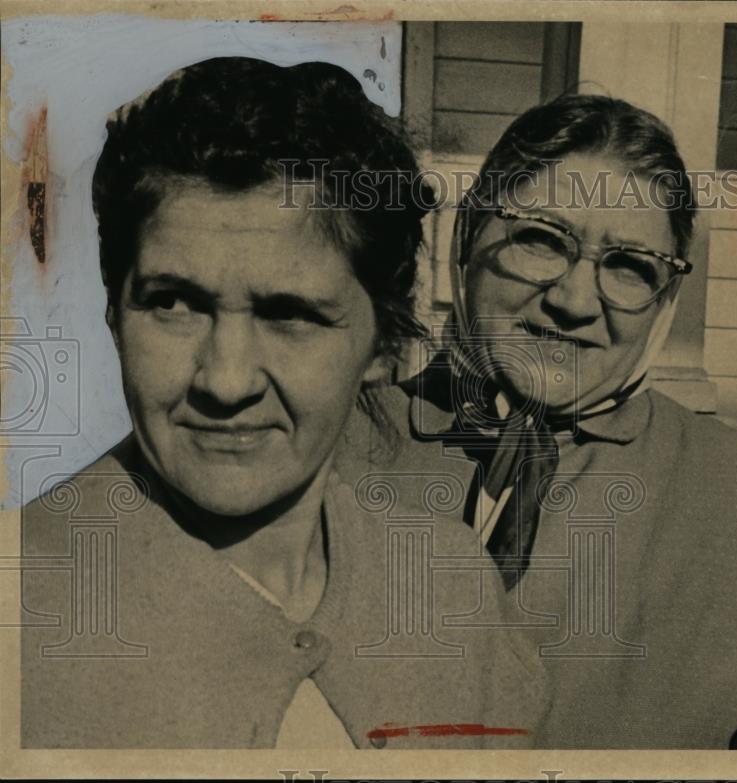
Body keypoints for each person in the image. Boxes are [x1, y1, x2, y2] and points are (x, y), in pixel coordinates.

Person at [20, 56, 544, 749]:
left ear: (386, 343)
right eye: (173, 302)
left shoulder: (454, 591)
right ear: (115, 311)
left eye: (290, 313)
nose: (225, 381)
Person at [338, 93, 737, 749]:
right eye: (540, 238)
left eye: (628, 266)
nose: (571, 299)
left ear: (666, 298)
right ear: (467, 238)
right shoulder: (335, 446)